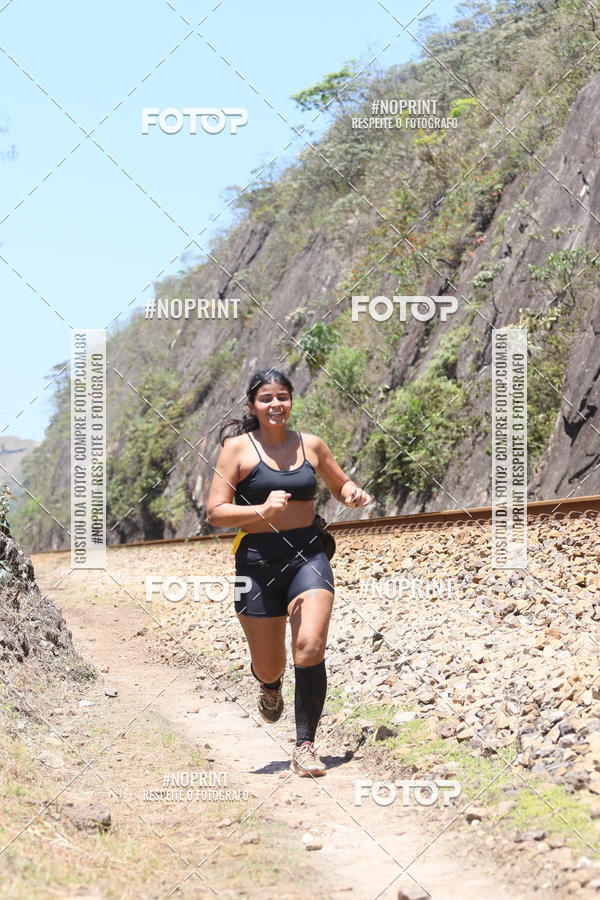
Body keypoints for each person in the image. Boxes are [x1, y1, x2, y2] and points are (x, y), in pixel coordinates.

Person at [206, 368, 372, 777]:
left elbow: (340, 484)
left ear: (291, 401)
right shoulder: (236, 449)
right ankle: (269, 686)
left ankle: (305, 746)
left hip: (308, 555)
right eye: (266, 398)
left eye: (282, 396)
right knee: (269, 665)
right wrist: (261, 510)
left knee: (310, 646)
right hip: (256, 562)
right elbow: (215, 512)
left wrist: (351, 493)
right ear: (252, 405)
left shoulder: (311, 445)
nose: (275, 404)